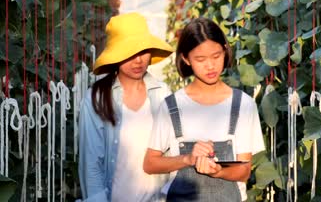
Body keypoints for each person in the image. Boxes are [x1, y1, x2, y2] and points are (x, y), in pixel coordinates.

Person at [143, 17, 265, 202]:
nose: (210, 65)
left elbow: (244, 171)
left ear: (225, 50)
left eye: (216, 56)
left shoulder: (243, 105)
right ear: (186, 58)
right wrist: (188, 159)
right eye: (200, 59)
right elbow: (150, 163)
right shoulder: (171, 106)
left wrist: (218, 171)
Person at [78, 12, 174, 202]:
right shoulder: (96, 98)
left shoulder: (163, 94)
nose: (138, 60)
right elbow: (91, 164)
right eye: (129, 52)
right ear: (115, 56)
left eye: (143, 50)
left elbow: (174, 154)